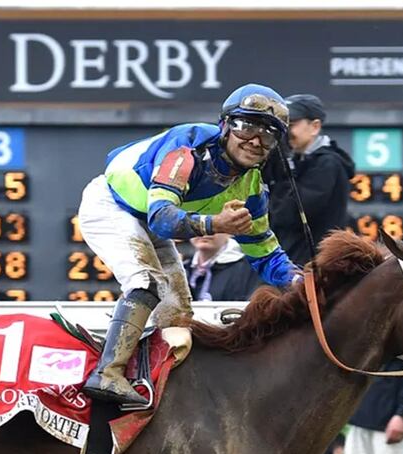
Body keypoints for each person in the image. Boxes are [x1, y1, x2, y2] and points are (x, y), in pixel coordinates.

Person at [77, 84, 301, 406]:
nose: (255, 140)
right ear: (225, 126)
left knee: (178, 313)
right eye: (246, 126)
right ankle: (107, 374)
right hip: (112, 204)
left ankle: (156, 385)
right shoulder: (188, 147)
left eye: (268, 134)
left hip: (145, 217)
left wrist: (298, 280)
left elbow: (264, 254)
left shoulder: (252, 189)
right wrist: (215, 224)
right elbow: (161, 218)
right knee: (146, 282)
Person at [267, 93, 356, 265]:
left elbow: (288, 215)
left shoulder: (327, 164)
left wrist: (284, 165)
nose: (285, 132)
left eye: (291, 124)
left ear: (315, 126)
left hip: (313, 265)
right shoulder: (296, 161)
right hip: (287, 259)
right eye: (281, 125)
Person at [182, 232, 265, 302]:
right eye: (197, 223)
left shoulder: (251, 270)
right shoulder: (183, 267)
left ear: (230, 230)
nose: (205, 232)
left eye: (213, 225)